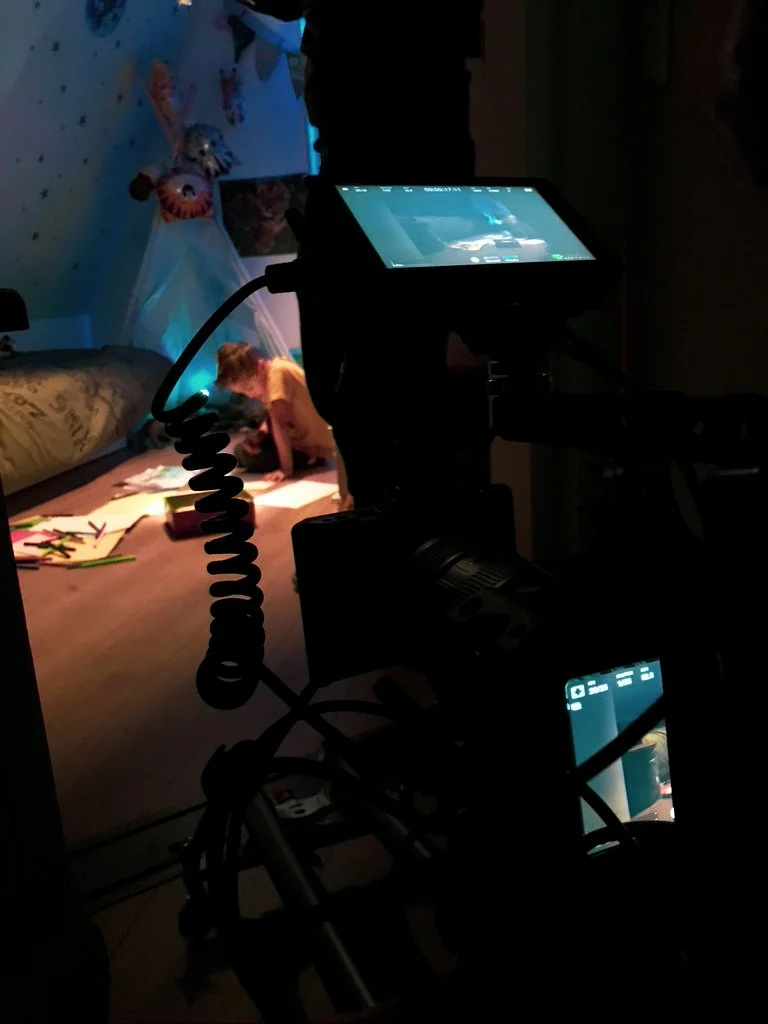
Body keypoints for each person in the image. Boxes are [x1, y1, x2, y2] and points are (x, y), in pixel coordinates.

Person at [215, 342, 351, 506]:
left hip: (313, 447)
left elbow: (279, 423)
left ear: (261, 366)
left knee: (246, 456)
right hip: (307, 442)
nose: (250, 396)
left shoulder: (277, 373)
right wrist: (260, 436)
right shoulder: (275, 371)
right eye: (244, 393)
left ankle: (309, 458)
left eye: (250, 388)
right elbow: (272, 419)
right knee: (243, 450)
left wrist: (285, 470)